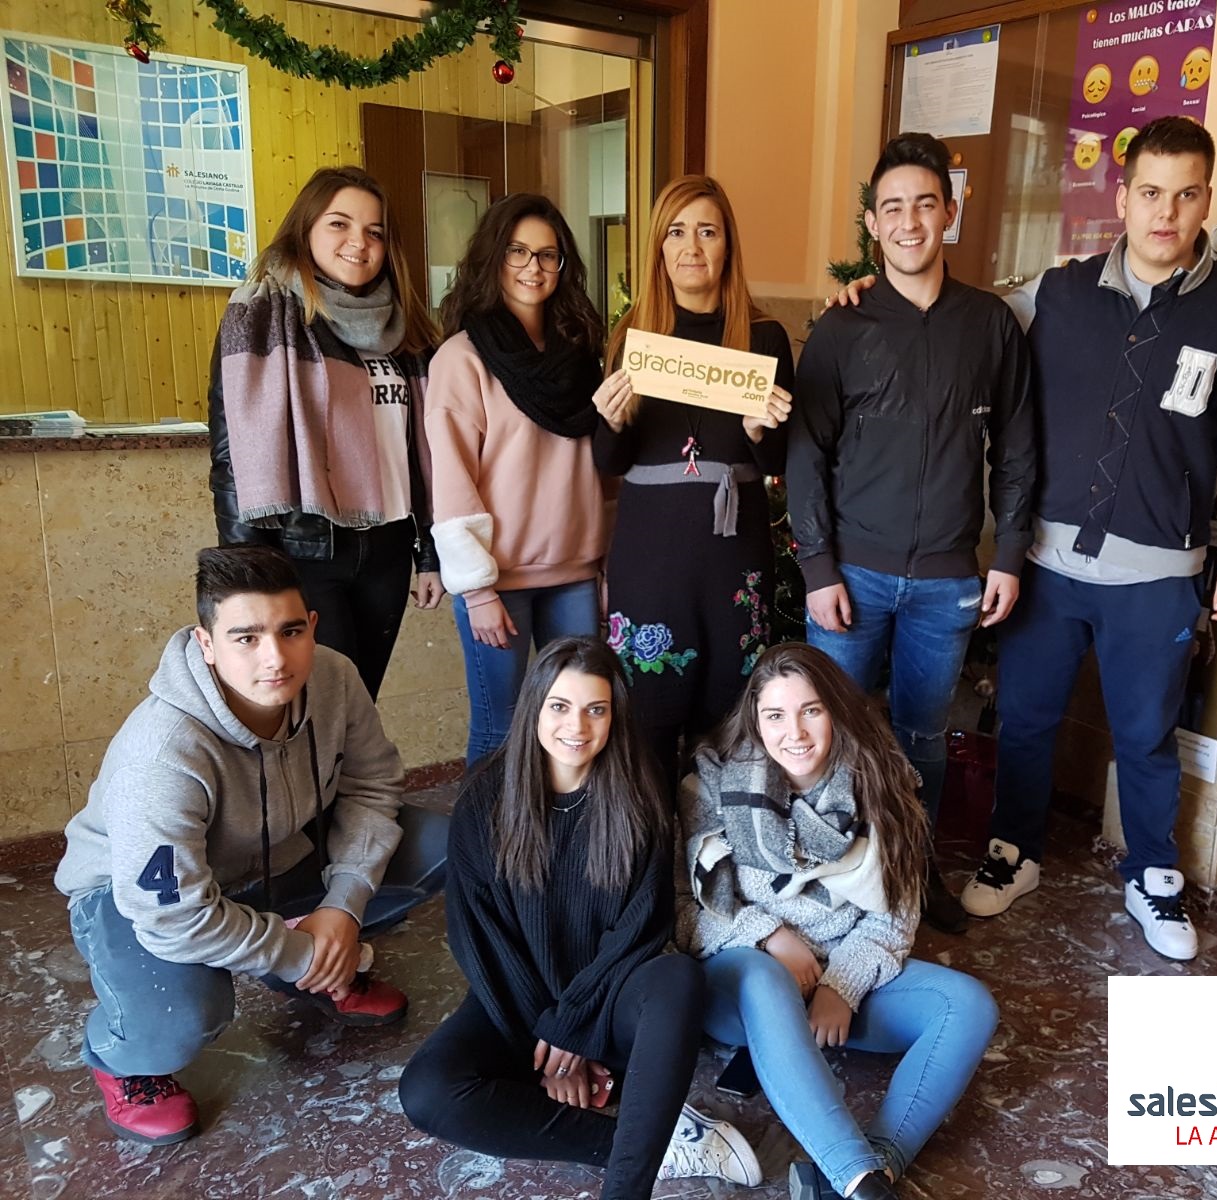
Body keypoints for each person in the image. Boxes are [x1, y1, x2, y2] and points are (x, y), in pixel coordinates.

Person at [955, 117, 1217, 958]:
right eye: (1150, 193)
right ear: (1122, 197)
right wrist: (873, 299)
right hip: (1047, 562)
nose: (1165, 213)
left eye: (1185, 195)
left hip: (1160, 575)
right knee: (1025, 718)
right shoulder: (1057, 293)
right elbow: (968, 331)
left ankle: (1152, 876)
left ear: (1206, 201)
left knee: (1146, 736)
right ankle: (1014, 851)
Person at [55, 545, 449, 1146]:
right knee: (181, 1017)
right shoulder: (160, 755)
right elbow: (173, 918)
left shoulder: (335, 677)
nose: (276, 658)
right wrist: (300, 953)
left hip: (276, 856)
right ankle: (124, 1061)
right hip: (135, 897)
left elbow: (372, 785)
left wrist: (343, 907)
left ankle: (306, 952)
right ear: (206, 643)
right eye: (246, 637)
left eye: (291, 631)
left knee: (443, 845)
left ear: (311, 625)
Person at [399, 636, 761, 1196]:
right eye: (560, 706)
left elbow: (641, 927)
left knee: (675, 978)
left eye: (596, 709)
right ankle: (657, 1142)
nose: (577, 726)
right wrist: (553, 1036)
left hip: (608, 1000)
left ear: (615, 716)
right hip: (515, 1002)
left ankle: (627, 1183)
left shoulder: (637, 793)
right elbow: (480, 939)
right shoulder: (485, 797)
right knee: (426, 1090)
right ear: (534, 708)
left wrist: (574, 1030)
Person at [787, 133, 1036, 934]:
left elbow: (1018, 447)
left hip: (947, 579)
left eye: (925, 204)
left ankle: (912, 876)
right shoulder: (842, 327)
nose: (908, 222)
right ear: (872, 222)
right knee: (826, 738)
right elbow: (806, 453)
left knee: (926, 736)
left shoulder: (990, 324)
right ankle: (822, 884)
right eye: (892, 207)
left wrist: (1010, 555)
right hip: (850, 576)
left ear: (949, 213)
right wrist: (817, 567)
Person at [679, 643, 998, 1200]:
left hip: (839, 986)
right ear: (755, 720)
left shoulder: (884, 784)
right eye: (775, 715)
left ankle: (868, 1171)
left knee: (968, 1005)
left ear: (837, 712)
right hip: (743, 989)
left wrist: (840, 987)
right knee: (765, 979)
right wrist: (769, 936)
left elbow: (894, 919)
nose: (794, 733)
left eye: (811, 710)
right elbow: (684, 910)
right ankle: (859, 1183)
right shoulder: (713, 787)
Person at [591, 175, 795, 793]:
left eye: (708, 231)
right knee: (647, 718)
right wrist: (612, 421)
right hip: (650, 554)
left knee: (728, 717)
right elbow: (609, 460)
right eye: (676, 232)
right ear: (658, 246)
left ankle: (718, 842)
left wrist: (760, 432)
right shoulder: (632, 336)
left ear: (728, 244)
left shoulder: (763, 336)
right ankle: (650, 844)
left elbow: (778, 459)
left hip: (734, 556)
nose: (692, 247)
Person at [209, 165, 443, 700]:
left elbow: (420, 452)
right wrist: (249, 576)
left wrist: (428, 554)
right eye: (340, 224)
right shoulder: (263, 317)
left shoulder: (405, 328)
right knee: (314, 711)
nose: (359, 242)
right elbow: (233, 458)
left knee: (358, 705)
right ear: (306, 228)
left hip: (387, 549)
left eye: (374, 231)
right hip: (305, 551)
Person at [428, 193, 609, 764]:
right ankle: (489, 828)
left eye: (548, 254)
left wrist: (606, 565)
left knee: (578, 734)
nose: (534, 267)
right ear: (494, 258)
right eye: (518, 251)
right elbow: (453, 480)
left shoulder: (581, 358)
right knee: (500, 733)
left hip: (575, 576)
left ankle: (564, 825)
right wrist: (477, 590)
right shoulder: (462, 359)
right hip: (496, 583)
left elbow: (602, 469)